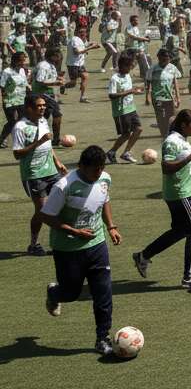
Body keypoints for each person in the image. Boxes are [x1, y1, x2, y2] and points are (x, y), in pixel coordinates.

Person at [40, 144, 122, 356]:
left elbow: (105, 200)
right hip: (67, 249)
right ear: (81, 166)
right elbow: (46, 216)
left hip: (97, 246)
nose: (98, 173)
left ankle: (102, 337)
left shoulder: (105, 178)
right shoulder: (64, 186)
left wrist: (110, 226)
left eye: (101, 168)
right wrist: (74, 231)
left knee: (103, 293)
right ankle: (54, 292)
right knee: (71, 293)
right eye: (94, 168)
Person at [133, 108, 191, 287]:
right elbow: (167, 167)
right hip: (181, 194)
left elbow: (182, 164)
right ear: (183, 125)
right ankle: (189, 276)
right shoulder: (171, 142)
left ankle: (143, 256)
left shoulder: (182, 139)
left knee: (180, 231)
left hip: (183, 192)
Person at [12, 93, 67, 255]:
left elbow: (48, 146)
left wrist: (57, 162)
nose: (43, 108)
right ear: (29, 108)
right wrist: (39, 142)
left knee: (62, 203)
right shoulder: (20, 127)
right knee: (42, 211)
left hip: (51, 171)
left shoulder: (43, 121)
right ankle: (34, 244)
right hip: (34, 175)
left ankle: (60, 239)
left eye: (44, 105)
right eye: (39, 105)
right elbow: (17, 154)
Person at [105, 52, 143, 164]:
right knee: (126, 134)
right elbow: (111, 95)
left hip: (131, 108)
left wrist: (135, 91)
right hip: (121, 111)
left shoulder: (127, 75)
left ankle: (126, 152)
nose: (130, 68)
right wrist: (129, 91)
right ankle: (112, 152)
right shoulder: (114, 78)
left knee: (138, 129)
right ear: (122, 66)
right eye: (129, 66)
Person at [150, 48, 183, 136]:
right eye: (164, 59)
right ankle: (163, 132)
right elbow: (148, 82)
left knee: (171, 116)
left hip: (169, 96)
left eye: (168, 59)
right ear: (159, 57)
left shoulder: (172, 67)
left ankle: (170, 132)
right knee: (160, 117)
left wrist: (178, 97)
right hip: (157, 97)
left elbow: (175, 82)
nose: (166, 61)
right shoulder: (153, 68)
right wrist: (147, 97)